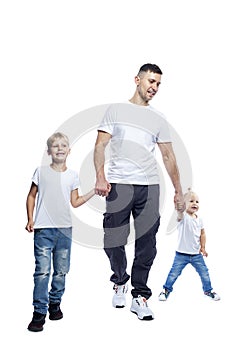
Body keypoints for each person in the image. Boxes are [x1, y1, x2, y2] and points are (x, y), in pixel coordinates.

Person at [94, 63, 185, 320]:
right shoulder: (116, 110)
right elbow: (100, 145)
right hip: (118, 184)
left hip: (149, 186)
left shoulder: (158, 118)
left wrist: (178, 191)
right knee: (113, 240)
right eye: (151, 81)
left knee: (147, 244)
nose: (154, 87)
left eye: (158, 84)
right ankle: (120, 279)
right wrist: (100, 176)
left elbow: (168, 155)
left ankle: (140, 295)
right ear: (137, 80)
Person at [26, 132, 95, 332]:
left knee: (61, 271)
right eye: (55, 146)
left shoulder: (73, 176)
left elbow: (75, 202)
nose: (59, 148)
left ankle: (54, 303)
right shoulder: (40, 172)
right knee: (42, 271)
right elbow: (31, 196)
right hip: (43, 230)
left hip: (64, 230)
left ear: (69, 151)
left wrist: (93, 192)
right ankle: (39, 312)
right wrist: (30, 219)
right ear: (49, 151)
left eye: (63, 145)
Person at [158, 188, 220, 301]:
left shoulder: (199, 219)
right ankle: (165, 290)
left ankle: (208, 290)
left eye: (197, 201)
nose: (195, 203)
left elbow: (203, 234)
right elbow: (178, 211)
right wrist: (177, 203)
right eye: (191, 201)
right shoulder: (183, 217)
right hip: (181, 255)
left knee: (204, 273)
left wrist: (203, 247)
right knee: (173, 274)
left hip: (196, 255)